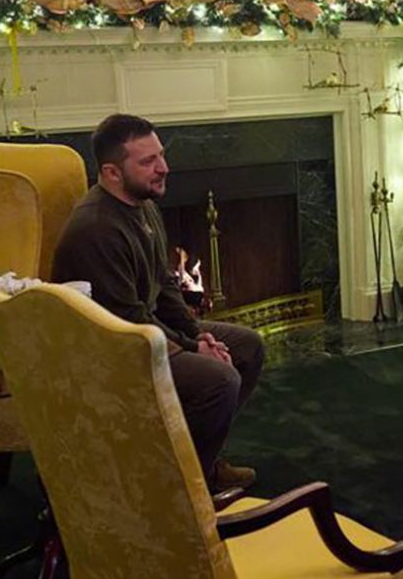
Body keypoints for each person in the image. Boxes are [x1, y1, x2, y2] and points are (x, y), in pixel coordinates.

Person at [51, 114, 263, 494]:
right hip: (113, 351)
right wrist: (192, 346)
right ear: (112, 172)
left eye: (161, 155)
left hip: (144, 332)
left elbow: (164, 283)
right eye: (148, 162)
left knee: (247, 346)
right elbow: (127, 319)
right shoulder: (96, 229)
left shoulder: (142, 204)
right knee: (220, 380)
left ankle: (200, 462)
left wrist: (197, 333)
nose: (164, 168)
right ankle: (183, 492)